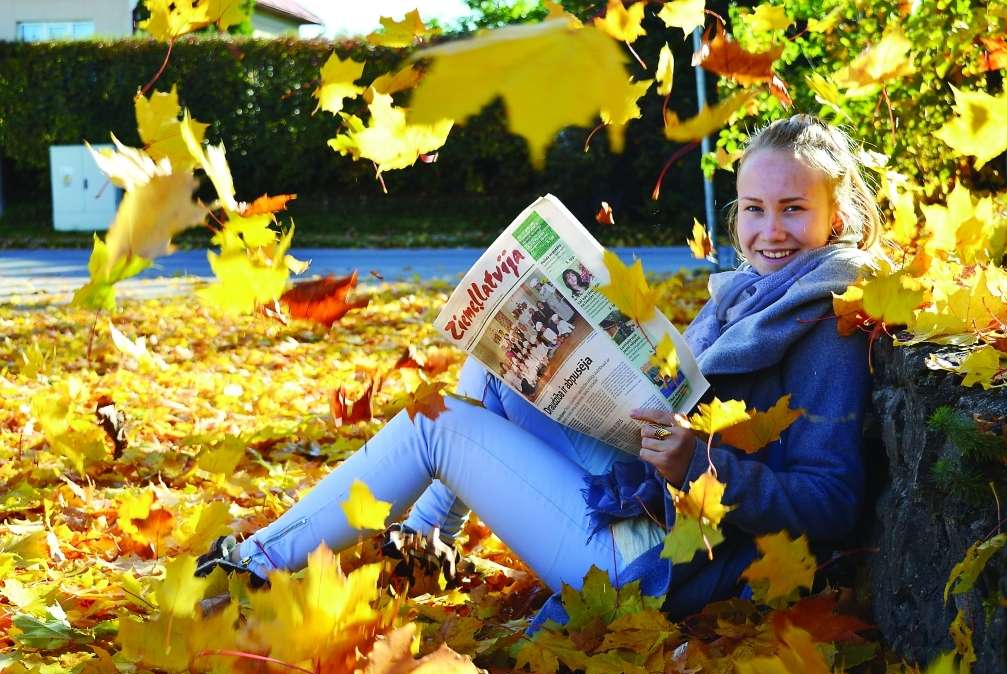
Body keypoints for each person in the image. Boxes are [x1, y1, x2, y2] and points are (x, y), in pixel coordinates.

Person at [196, 114, 882, 630]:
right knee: (499, 362)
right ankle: (432, 535)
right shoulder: (749, 295)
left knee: (432, 425)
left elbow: (834, 503)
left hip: (661, 565)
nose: (770, 230)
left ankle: (249, 566)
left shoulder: (828, 322)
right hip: (646, 503)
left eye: (794, 209)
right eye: (756, 209)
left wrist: (698, 465)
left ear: (838, 216)